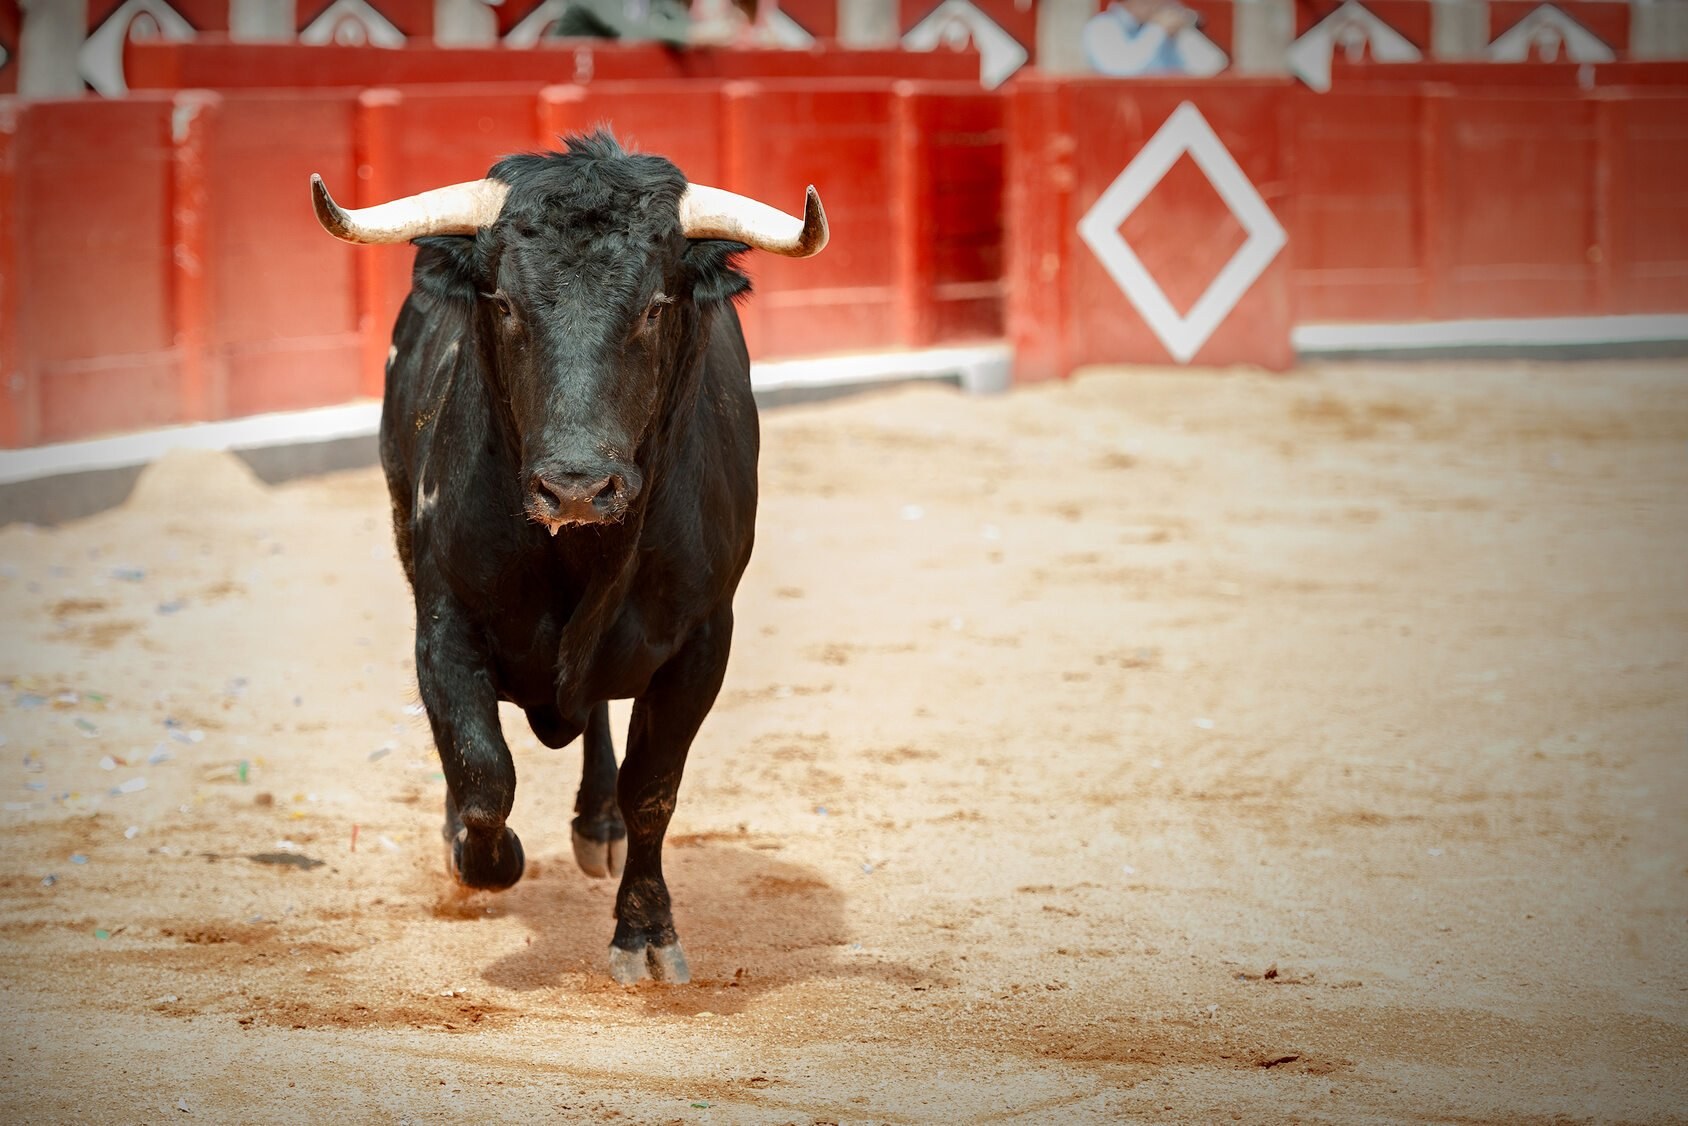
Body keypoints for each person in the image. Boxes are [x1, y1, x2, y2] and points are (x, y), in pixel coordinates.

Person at [1083, 0, 1209, 76]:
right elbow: (1123, 70)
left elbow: (1207, 69)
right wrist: (1157, 29)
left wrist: (1185, 34)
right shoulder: (1102, 26)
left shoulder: (1162, 32)